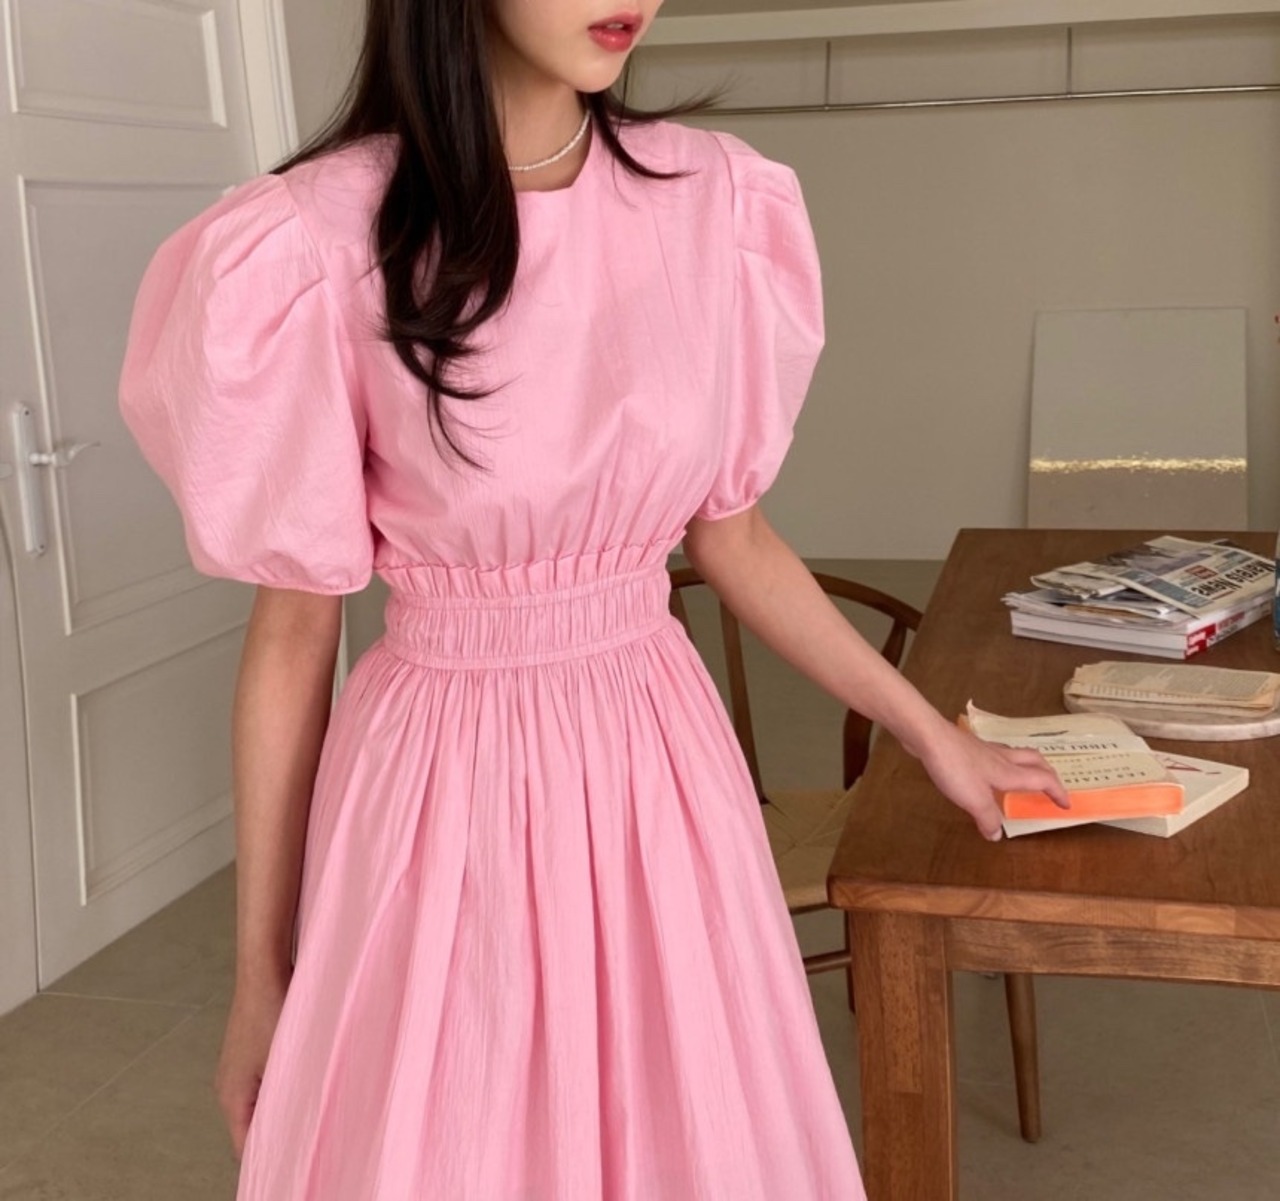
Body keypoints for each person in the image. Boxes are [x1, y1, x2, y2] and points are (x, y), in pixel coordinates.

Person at [118, 0, 1067, 1196]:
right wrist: (259, 980)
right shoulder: (312, 238)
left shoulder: (715, 202)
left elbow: (735, 538)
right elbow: (294, 630)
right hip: (440, 784)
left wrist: (929, 734)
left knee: (684, 1128)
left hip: (654, 759)